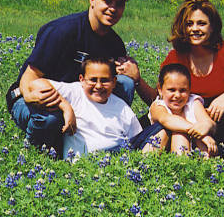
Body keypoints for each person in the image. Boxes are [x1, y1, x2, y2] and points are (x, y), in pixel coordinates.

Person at [6, 0, 142, 156]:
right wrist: (64, 106)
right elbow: (29, 80)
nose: (113, 8)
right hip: (35, 96)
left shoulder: (115, 44)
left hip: (81, 99)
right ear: (92, 0)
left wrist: (136, 77)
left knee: (125, 83)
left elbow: (121, 84)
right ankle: (38, 153)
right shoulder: (62, 31)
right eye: (107, 1)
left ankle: (108, 137)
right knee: (51, 120)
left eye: (119, 4)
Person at [131, 0, 224, 151]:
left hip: (218, 119)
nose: (195, 29)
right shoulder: (175, 57)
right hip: (182, 116)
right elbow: (161, 98)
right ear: (183, 27)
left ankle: (200, 146)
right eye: (189, 24)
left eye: (201, 23)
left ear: (212, 26)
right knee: (140, 128)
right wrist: (137, 80)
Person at [27, 57, 158, 158]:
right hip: (82, 164)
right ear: (82, 80)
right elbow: (36, 84)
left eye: (105, 80)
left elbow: (136, 141)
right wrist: (66, 107)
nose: (98, 86)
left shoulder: (122, 108)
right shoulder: (75, 92)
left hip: (117, 163)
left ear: (114, 82)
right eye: (93, 80)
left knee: (159, 129)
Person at [145, 63, 218, 157]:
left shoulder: (193, 102)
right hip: (161, 149)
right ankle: (181, 166)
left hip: (192, 148)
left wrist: (206, 127)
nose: (177, 95)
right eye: (171, 90)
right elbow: (167, 120)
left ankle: (206, 167)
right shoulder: (158, 105)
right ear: (160, 89)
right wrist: (199, 132)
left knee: (201, 134)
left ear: (189, 90)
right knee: (179, 134)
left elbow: (209, 123)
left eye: (183, 90)